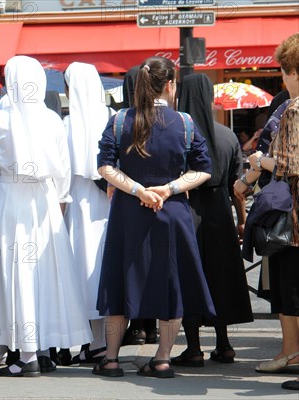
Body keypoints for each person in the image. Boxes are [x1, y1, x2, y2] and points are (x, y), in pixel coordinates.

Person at [0, 55, 92, 377]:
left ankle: (26, 353)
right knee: (43, 273)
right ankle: (41, 350)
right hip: (44, 200)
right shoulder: (53, 120)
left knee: (14, 272)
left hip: (9, 199)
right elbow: (63, 172)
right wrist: (58, 206)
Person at [95, 56, 215, 379]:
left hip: (127, 213)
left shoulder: (120, 120)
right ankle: (162, 358)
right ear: (171, 85)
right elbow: (204, 168)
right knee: (171, 285)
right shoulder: (185, 123)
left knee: (120, 282)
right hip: (172, 212)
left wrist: (138, 190)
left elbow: (104, 166)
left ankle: (110, 360)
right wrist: (168, 188)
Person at [172, 73, 253, 368]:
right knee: (220, 275)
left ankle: (193, 347)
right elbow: (237, 188)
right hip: (220, 209)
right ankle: (224, 343)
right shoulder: (228, 135)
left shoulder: (178, 134)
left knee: (190, 275)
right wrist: (241, 221)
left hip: (187, 206)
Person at [234, 33, 299, 392]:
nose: (283, 78)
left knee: (291, 290)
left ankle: (294, 354)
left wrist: (261, 159)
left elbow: (291, 164)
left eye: (284, 71)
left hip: (294, 216)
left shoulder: (293, 109)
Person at [62, 62, 111, 364]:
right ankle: (102, 341)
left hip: (77, 203)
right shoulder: (113, 117)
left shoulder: (66, 124)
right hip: (108, 200)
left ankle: (90, 341)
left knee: (81, 269)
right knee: (102, 267)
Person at [119, 65, 159, 347]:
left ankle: (137, 326)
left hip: (128, 198)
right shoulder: (169, 119)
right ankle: (153, 326)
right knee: (155, 262)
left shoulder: (122, 120)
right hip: (161, 199)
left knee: (132, 264)